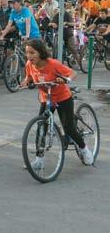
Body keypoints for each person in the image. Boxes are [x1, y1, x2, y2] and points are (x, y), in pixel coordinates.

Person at [20, 39, 93, 167]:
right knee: (41, 126)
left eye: (32, 53)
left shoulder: (53, 64)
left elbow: (72, 73)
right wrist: (26, 81)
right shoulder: (29, 64)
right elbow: (29, 77)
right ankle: (39, 159)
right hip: (46, 98)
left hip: (62, 97)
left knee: (69, 128)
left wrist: (66, 79)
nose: (29, 56)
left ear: (41, 52)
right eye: (27, 53)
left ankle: (84, 149)